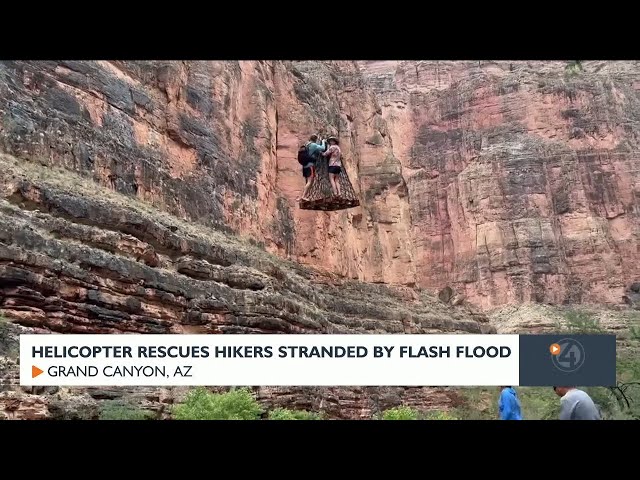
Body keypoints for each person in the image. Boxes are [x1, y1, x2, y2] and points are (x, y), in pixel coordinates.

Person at [297, 134, 326, 201]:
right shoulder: (314, 145)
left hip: (305, 166)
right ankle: (303, 196)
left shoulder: (307, 145)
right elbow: (323, 148)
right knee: (310, 181)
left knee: (308, 182)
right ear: (315, 140)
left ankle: (303, 196)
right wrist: (323, 141)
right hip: (310, 166)